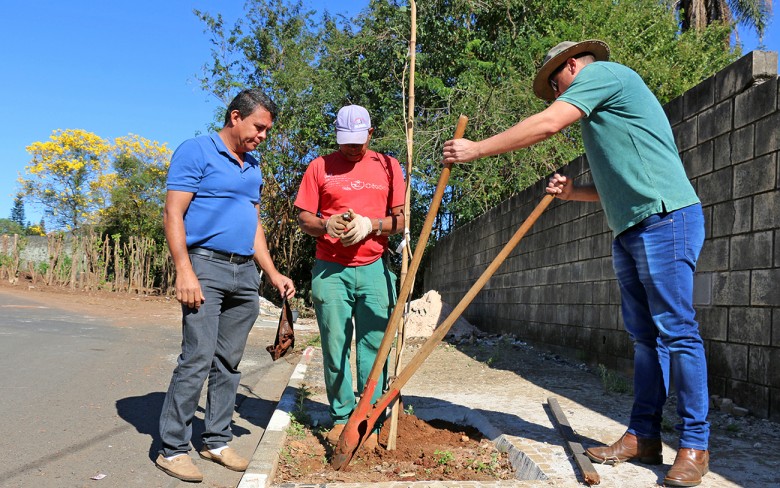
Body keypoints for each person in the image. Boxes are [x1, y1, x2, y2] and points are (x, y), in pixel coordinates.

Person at [442, 40, 709, 487]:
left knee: (678, 332)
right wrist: (573, 193)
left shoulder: (603, 75)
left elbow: (547, 125)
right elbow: (620, 184)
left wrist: (477, 149)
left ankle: (695, 446)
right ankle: (644, 435)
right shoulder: (604, 112)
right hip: (631, 227)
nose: (558, 97)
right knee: (646, 340)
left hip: (666, 219)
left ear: (569, 67)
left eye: (556, 87)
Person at [156, 88, 295, 483]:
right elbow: (173, 212)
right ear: (236, 117)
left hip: (244, 273)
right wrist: (184, 270)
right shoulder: (196, 151)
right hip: (206, 267)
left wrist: (271, 273)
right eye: (259, 127)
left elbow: (253, 226)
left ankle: (216, 440)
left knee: (228, 362)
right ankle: (172, 448)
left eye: (267, 130)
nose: (263, 136)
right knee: (197, 357)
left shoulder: (253, 167)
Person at [295, 104, 406, 450]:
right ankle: (343, 418)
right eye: (346, 142)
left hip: (374, 267)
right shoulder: (319, 167)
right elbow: (303, 218)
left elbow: (401, 221)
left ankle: (369, 416)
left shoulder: (388, 166)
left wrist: (371, 225)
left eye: (359, 141)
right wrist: (325, 224)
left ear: (370, 134)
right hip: (330, 269)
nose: (352, 148)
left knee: (375, 345)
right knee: (335, 345)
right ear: (337, 136)